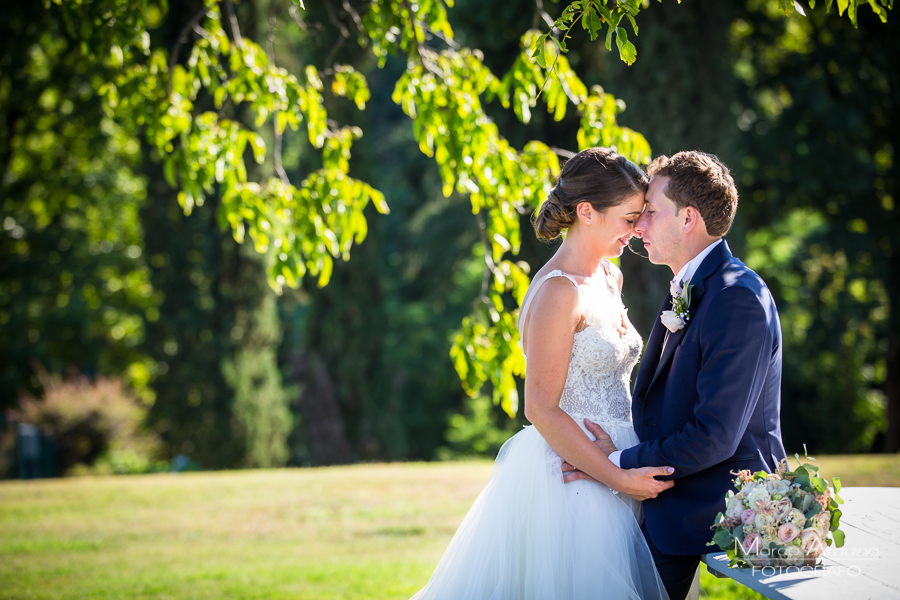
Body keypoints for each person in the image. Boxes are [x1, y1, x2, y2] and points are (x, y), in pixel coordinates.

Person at [411, 147, 672, 600]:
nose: (637, 231)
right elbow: (541, 408)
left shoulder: (611, 278)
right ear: (587, 212)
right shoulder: (557, 292)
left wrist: (626, 466)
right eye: (630, 219)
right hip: (572, 479)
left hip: (620, 456)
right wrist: (616, 478)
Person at [562, 151, 787, 600]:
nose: (637, 225)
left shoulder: (736, 297)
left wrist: (617, 466)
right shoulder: (690, 286)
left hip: (712, 507)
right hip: (672, 500)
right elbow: (669, 408)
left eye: (649, 212)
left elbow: (714, 436)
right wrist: (623, 451)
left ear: (688, 218)